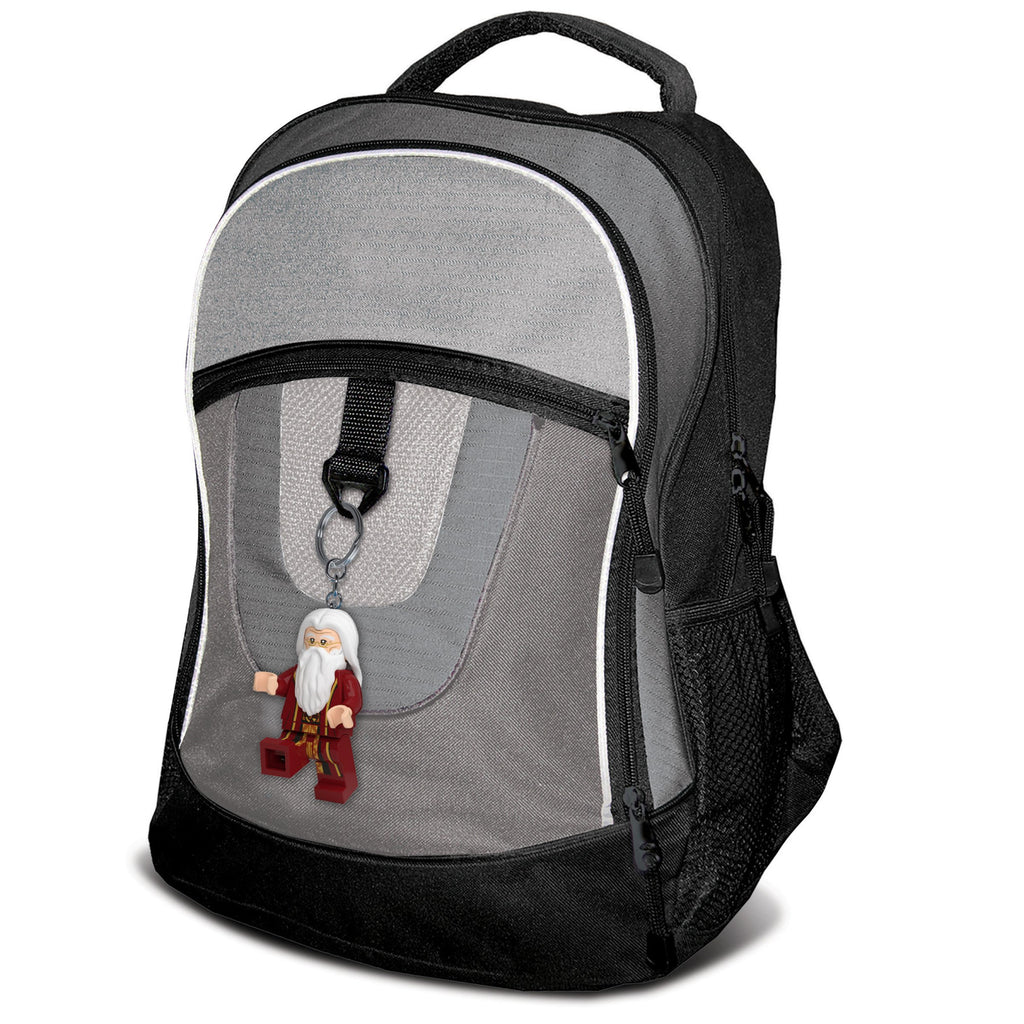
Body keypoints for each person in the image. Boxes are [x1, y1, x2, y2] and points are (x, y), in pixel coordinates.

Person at [253, 607, 363, 804]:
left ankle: (334, 786)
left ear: (343, 648)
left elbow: (354, 699)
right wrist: (272, 683)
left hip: (329, 733)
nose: (315, 648)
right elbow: (284, 685)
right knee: (284, 751)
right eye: (311, 640)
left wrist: (345, 710)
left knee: (332, 759)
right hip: (296, 729)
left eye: (323, 642)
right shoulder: (299, 672)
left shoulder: (344, 678)